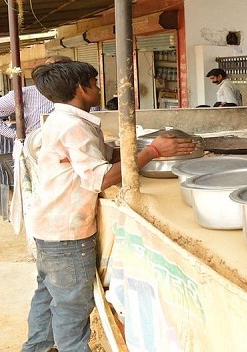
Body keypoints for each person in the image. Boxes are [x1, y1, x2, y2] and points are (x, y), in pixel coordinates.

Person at [22, 61, 196, 352]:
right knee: (72, 307)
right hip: (66, 234)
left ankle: (36, 348)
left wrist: (144, 146)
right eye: (94, 82)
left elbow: (103, 156)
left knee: (48, 296)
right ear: (81, 88)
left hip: (49, 227)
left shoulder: (64, 119)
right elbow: (99, 178)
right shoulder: (74, 126)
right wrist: (153, 152)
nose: (99, 88)